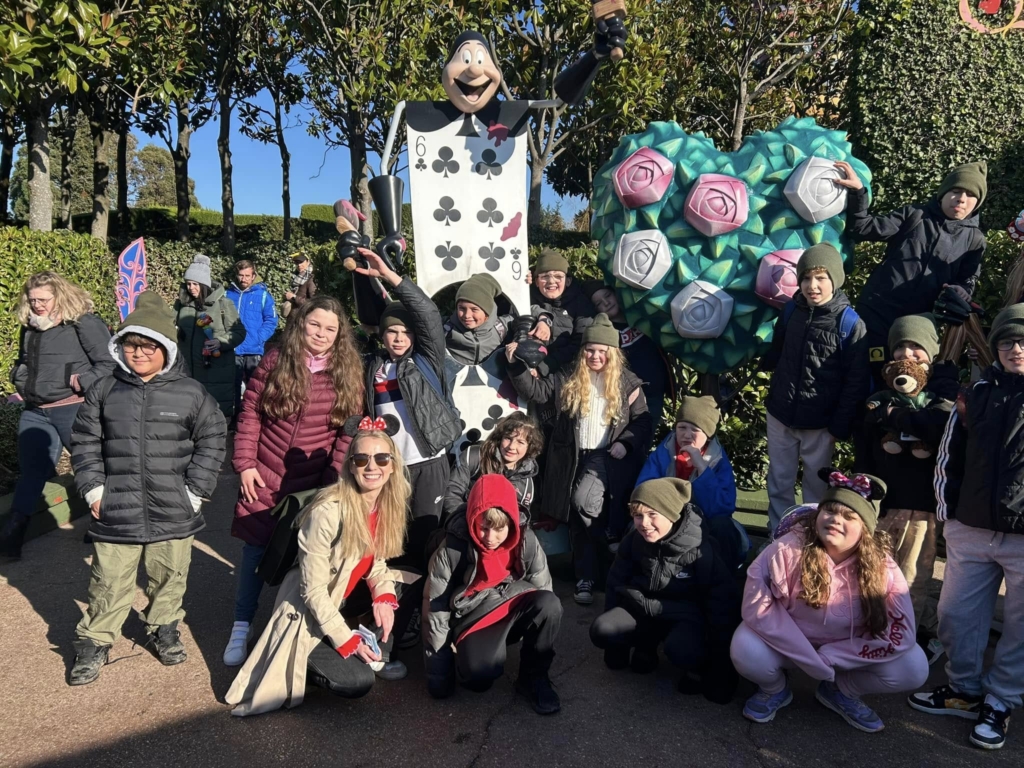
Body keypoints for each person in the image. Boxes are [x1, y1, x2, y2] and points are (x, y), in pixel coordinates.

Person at [67, 292, 226, 685]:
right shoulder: (104, 390)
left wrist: (195, 492)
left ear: (166, 349)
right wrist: (93, 490)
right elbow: (84, 442)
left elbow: (213, 437)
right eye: (130, 345)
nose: (137, 354)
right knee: (108, 580)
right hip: (116, 506)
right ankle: (94, 640)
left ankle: (163, 626)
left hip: (173, 507)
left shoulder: (190, 392)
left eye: (147, 346)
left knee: (170, 576)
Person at [225, 417, 411, 715]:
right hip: (311, 606)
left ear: (392, 465)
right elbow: (312, 591)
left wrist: (383, 597)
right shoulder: (327, 511)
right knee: (356, 682)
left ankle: (375, 652)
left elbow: (377, 562)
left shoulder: (386, 504)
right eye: (361, 458)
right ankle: (304, 657)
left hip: (343, 595)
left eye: (381, 458)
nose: (371, 466)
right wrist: (346, 639)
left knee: (401, 587)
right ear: (350, 465)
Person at [225, 295, 364, 668]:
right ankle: (241, 625)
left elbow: (345, 437)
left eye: (330, 329)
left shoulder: (347, 373)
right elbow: (250, 414)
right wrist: (245, 464)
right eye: (315, 325)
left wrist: (332, 484)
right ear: (301, 324)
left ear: (339, 335)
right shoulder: (274, 361)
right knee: (254, 552)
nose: (321, 333)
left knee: (299, 557)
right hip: (265, 474)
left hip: (310, 483)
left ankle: (284, 627)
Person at [731, 471, 928, 733]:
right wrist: (809, 658)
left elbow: (901, 633)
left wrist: (834, 656)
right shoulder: (785, 550)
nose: (836, 519)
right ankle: (774, 690)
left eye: (849, 516)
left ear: (865, 529)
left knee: (913, 666)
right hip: (790, 645)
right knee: (746, 646)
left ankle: (840, 692)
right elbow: (757, 609)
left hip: (847, 653)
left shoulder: (884, 568)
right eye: (830, 511)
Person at [910, 305, 1024, 750]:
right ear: (995, 346)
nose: (1016, 348)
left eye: (1022, 341)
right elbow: (948, 454)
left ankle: (1001, 701)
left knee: (1020, 627)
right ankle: (964, 690)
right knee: (956, 615)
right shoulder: (974, 392)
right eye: (1008, 341)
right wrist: (948, 516)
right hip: (972, 528)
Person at [506, 313, 651, 606]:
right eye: (590, 350)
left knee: (583, 502)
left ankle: (604, 555)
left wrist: (625, 443)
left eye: (602, 351)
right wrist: (515, 365)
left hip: (606, 457)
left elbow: (643, 422)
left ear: (612, 353)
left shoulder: (627, 383)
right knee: (579, 518)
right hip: (571, 457)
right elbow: (535, 390)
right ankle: (587, 575)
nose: (595, 356)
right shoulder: (569, 377)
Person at [834, 160, 986, 387]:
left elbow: (967, 278)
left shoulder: (975, 240)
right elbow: (862, 228)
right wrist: (858, 192)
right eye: (956, 191)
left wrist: (962, 290)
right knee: (859, 375)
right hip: (876, 314)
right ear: (943, 194)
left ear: (977, 203)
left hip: (916, 329)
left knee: (905, 382)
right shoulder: (913, 215)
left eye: (970, 195)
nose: (961, 198)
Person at [356, 249, 462, 572]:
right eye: (392, 332)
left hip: (428, 464)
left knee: (426, 539)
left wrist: (390, 277)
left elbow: (429, 313)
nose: (399, 338)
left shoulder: (426, 360)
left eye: (405, 332)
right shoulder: (373, 365)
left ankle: (426, 609)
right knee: (391, 541)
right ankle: (394, 608)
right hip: (391, 468)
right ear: (383, 334)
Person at [590, 478, 740, 703]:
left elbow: (721, 607)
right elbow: (615, 583)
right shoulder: (634, 541)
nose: (644, 523)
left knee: (682, 650)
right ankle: (645, 647)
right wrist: (615, 649)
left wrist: (721, 672)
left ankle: (697, 666)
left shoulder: (702, 551)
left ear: (672, 514)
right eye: (638, 515)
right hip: (644, 608)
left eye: (653, 515)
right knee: (603, 629)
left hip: (686, 616)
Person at [858, 314, 954, 660]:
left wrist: (892, 416)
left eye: (916, 347)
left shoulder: (940, 394)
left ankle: (910, 636)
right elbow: (866, 443)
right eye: (900, 346)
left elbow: (938, 426)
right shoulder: (880, 394)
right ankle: (876, 628)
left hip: (922, 505)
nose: (907, 354)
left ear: (931, 352)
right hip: (885, 500)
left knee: (914, 576)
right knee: (876, 572)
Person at [424, 474, 562, 714]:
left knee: (550, 604)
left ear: (511, 523)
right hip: (472, 615)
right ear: (472, 519)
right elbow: (435, 610)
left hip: (512, 602)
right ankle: (479, 654)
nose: (490, 538)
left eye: (499, 529)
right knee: (479, 679)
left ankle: (534, 678)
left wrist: (540, 633)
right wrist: (439, 675)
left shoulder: (526, 539)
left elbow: (543, 590)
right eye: (483, 527)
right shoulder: (452, 547)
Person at [1, 272, 116, 559]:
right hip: (36, 411)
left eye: (43, 299)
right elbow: (22, 362)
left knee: (90, 468)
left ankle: (104, 524)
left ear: (60, 296)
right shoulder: (29, 327)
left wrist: (82, 382)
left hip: (74, 407)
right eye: (32, 299)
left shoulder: (83, 322)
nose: (37, 305)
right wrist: (20, 378)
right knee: (32, 472)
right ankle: (12, 535)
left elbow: (110, 362)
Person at [761, 244, 870, 532]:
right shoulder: (790, 311)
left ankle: (812, 542)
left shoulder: (850, 324)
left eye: (821, 278)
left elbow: (855, 382)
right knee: (779, 481)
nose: (812, 286)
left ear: (835, 279)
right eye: (807, 278)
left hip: (821, 424)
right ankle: (778, 537)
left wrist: (840, 425)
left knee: (816, 488)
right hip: (781, 414)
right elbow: (777, 354)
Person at [583, 280, 673, 547]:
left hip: (655, 395)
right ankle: (623, 521)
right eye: (598, 302)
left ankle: (637, 514)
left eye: (607, 296)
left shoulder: (640, 315)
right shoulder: (606, 333)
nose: (605, 303)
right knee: (630, 453)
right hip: (629, 401)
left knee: (643, 450)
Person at [635, 396, 747, 570]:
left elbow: (723, 507)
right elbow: (643, 493)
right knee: (638, 524)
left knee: (723, 526)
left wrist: (702, 468)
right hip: (668, 518)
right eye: (681, 428)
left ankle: (724, 579)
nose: (686, 435)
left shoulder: (718, 461)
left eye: (695, 429)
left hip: (705, 521)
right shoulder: (662, 454)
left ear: (708, 435)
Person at [174, 254, 246, 419]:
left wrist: (220, 342)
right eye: (188, 283)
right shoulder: (181, 306)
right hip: (187, 371)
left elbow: (239, 332)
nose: (191, 287)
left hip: (216, 372)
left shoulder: (224, 304)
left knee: (213, 416)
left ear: (204, 284)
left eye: (195, 284)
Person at [444, 411, 544, 522]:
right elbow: (451, 494)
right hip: (464, 525)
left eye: (520, 442)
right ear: (500, 437)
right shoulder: (475, 456)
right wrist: (467, 524)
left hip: (497, 536)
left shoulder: (527, 480)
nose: (511, 446)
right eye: (508, 438)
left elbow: (521, 519)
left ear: (530, 447)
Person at [528, 248, 596, 375]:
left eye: (558, 276)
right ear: (537, 282)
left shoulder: (581, 304)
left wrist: (544, 367)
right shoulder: (527, 298)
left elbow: (581, 344)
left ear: (568, 281)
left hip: (568, 373)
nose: (551, 281)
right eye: (544, 276)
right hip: (529, 371)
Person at [226, 259, 278, 417]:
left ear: (253, 276)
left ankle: (253, 418)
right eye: (241, 275)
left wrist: (259, 338)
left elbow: (271, 320)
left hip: (253, 350)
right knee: (231, 389)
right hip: (232, 349)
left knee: (255, 388)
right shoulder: (227, 294)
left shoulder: (263, 296)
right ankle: (233, 420)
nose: (244, 279)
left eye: (247, 276)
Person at [444, 273, 516, 366]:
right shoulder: (445, 329)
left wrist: (541, 320)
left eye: (474, 309)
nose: (467, 315)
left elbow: (530, 311)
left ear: (487, 311)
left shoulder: (502, 327)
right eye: (461, 308)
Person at [282, 252, 316, 319]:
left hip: (303, 319)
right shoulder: (296, 277)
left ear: (308, 262)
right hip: (293, 318)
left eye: (301, 262)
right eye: (297, 263)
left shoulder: (311, 279)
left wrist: (294, 297)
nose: (299, 265)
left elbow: (314, 302)